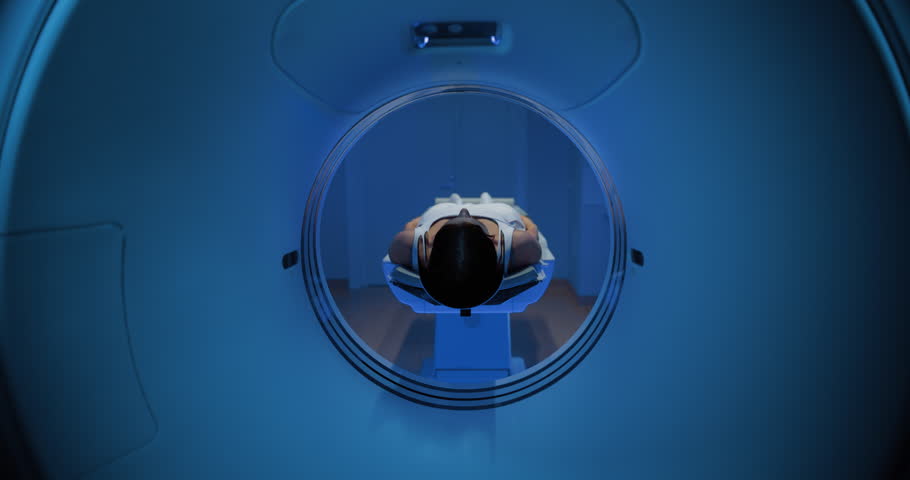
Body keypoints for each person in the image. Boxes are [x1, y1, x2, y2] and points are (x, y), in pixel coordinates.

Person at [388, 193, 542, 309]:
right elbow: (532, 230)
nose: (464, 210)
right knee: (486, 197)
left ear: (432, 243)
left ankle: (456, 200)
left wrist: (421, 222)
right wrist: (522, 216)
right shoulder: (517, 244)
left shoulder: (407, 245)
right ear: (492, 240)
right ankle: (483, 199)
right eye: (468, 219)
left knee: (454, 199)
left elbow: (411, 225)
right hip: (497, 212)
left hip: (439, 213)